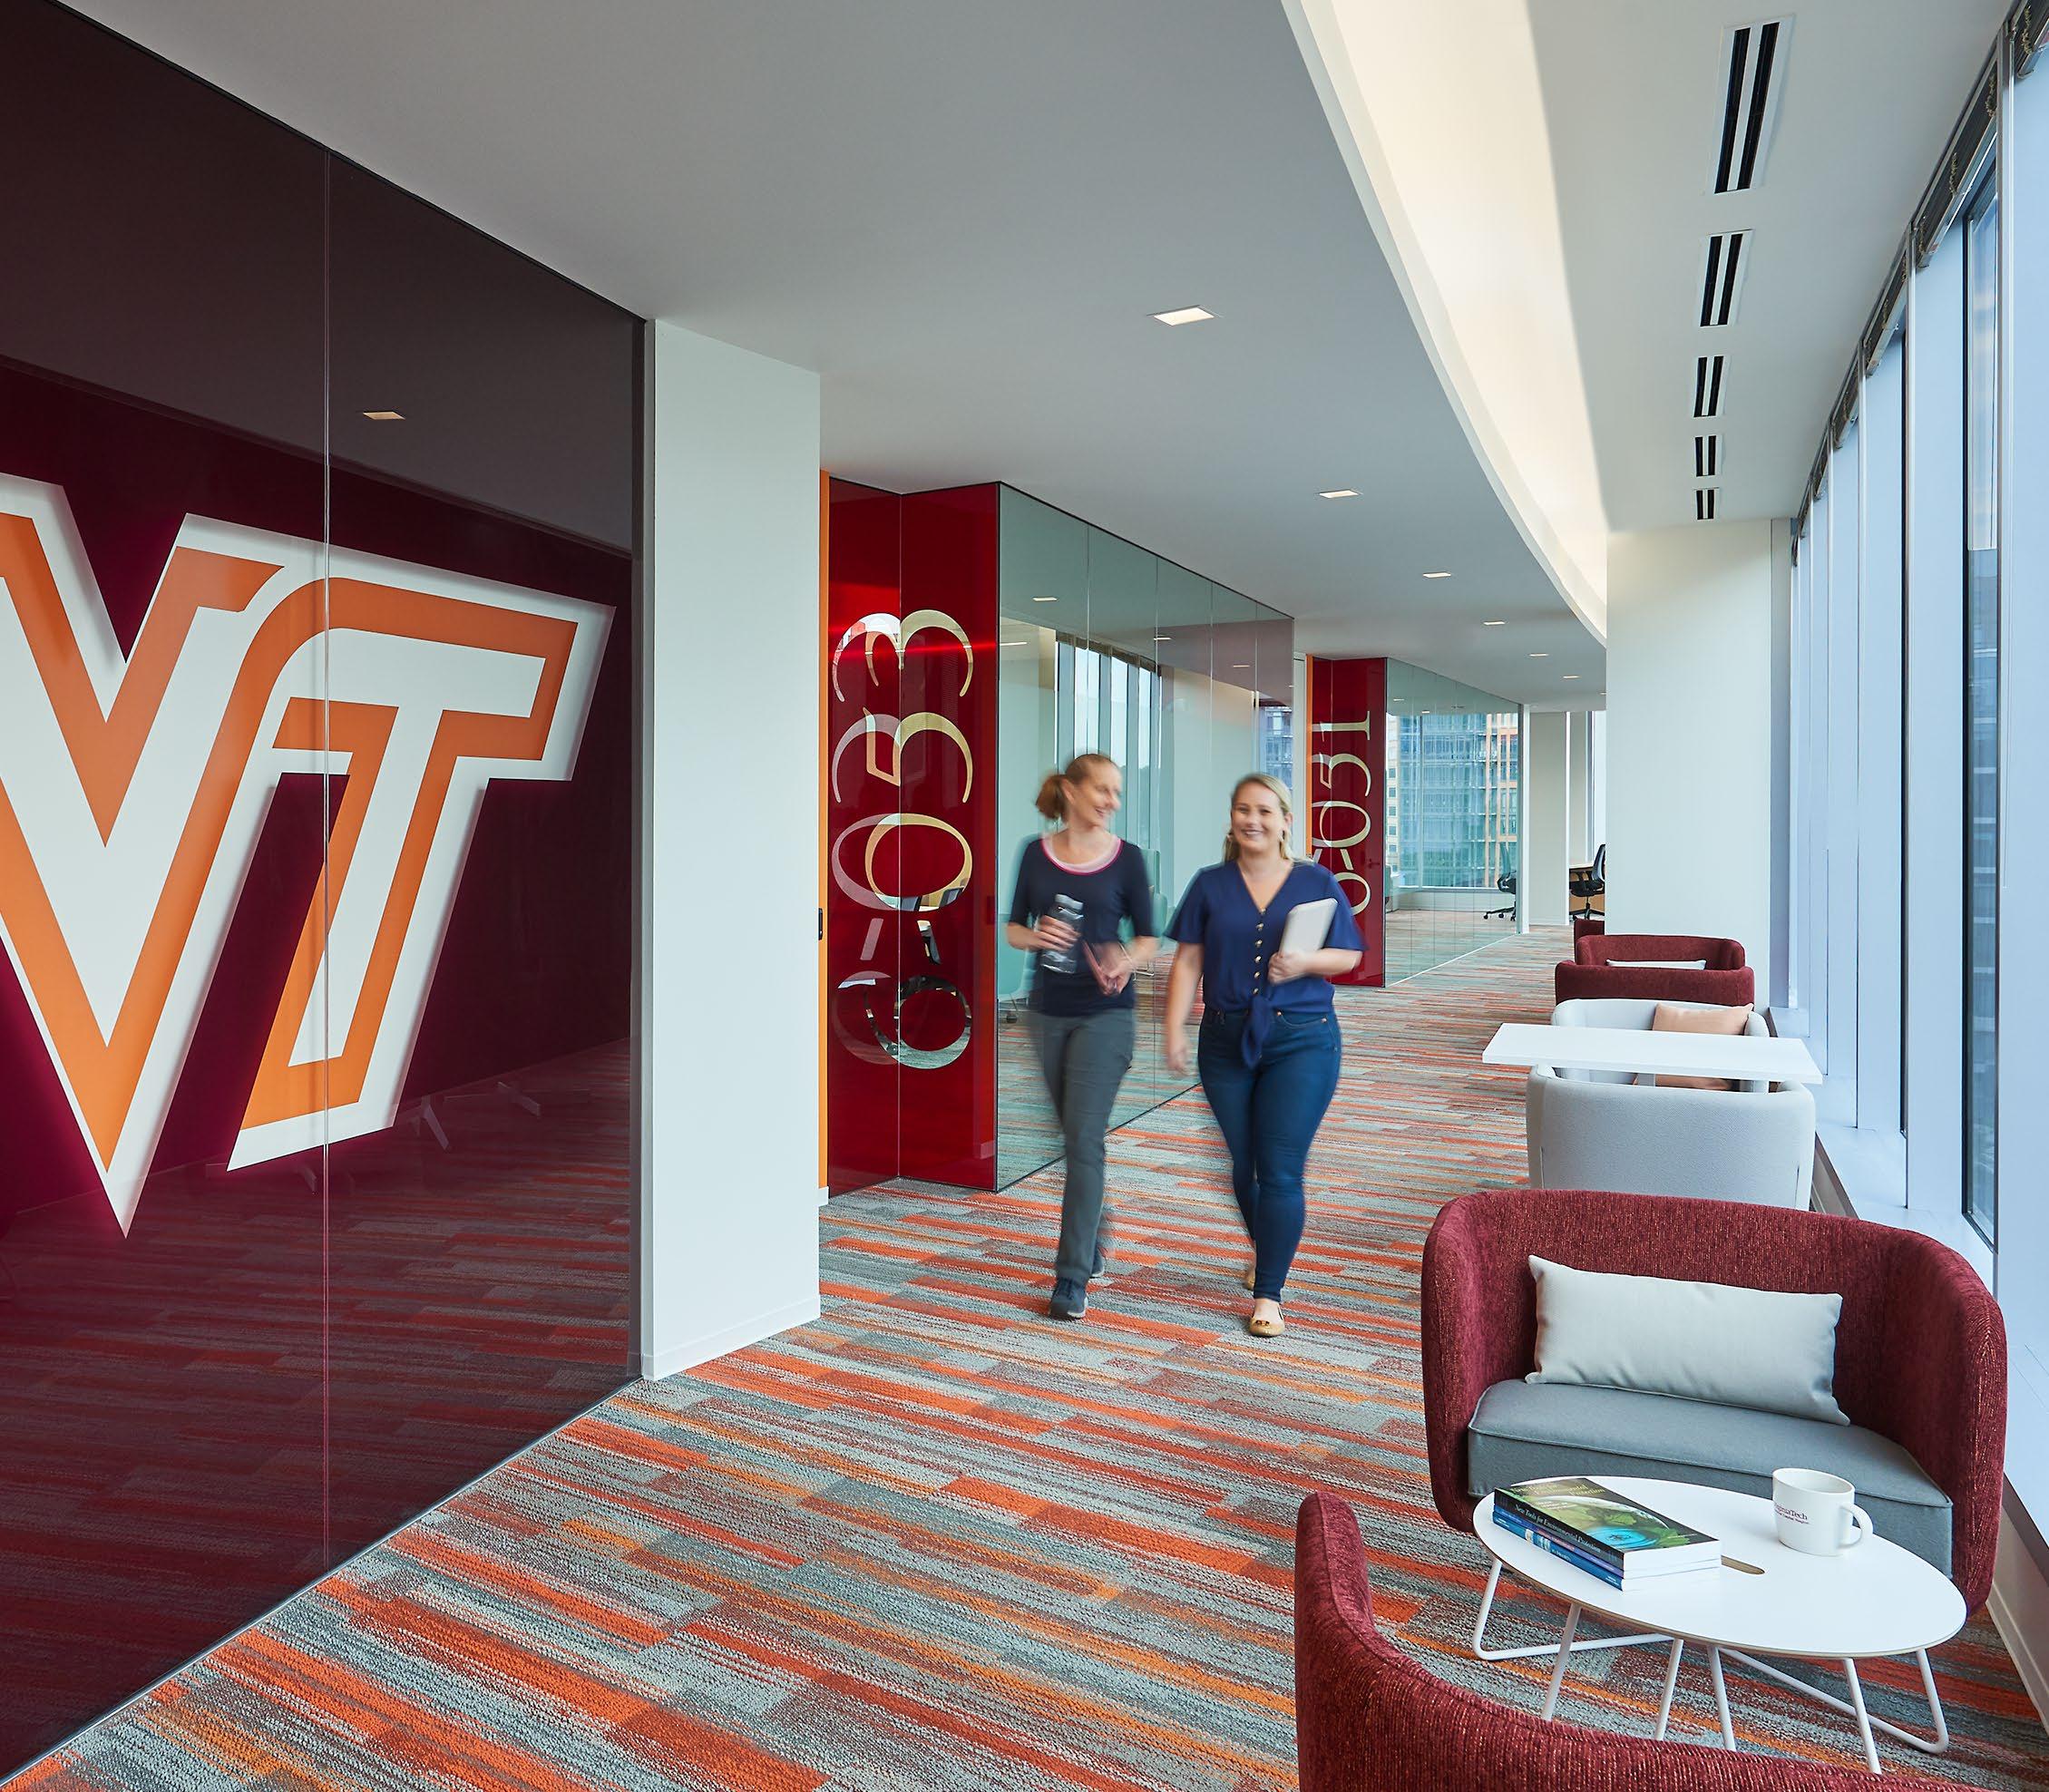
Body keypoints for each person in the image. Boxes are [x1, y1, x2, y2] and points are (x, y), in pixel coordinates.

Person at [1164, 773, 1362, 1338]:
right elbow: (1187, 962)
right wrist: (1174, 1029)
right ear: (1232, 819)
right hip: (1224, 1040)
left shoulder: (1316, 880)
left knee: (1278, 1168)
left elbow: (1347, 954)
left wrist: (1304, 963)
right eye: (1243, 810)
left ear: (1285, 821)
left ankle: (1269, 1293)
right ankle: (1269, 1244)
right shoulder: (1209, 884)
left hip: (1303, 1039)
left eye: (1265, 811)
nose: (1253, 820)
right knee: (1243, 1165)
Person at [1006, 754, 1158, 1321]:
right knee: (1073, 1141)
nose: (1113, 801)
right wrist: (1037, 937)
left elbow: (1149, 938)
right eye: (1103, 789)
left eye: (1117, 791)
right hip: (1048, 1013)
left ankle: (1071, 1278)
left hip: (1107, 1015)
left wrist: (1125, 959)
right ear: (1071, 792)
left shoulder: (1127, 859)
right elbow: (1013, 927)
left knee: (1085, 1139)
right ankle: (1093, 1228)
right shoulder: (1035, 854)